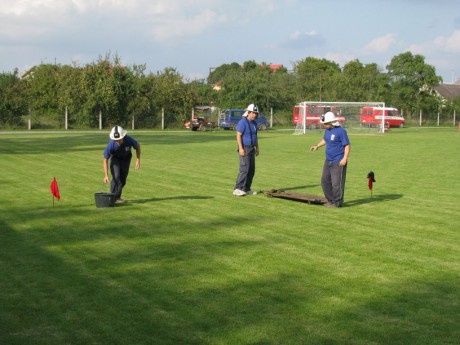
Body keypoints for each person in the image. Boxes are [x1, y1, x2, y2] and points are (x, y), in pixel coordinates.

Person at [310, 112, 350, 208]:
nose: (324, 125)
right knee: (324, 181)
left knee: (336, 184)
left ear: (331, 122)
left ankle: (337, 202)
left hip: (338, 161)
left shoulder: (341, 131)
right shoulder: (327, 130)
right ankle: (330, 200)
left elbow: (347, 145)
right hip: (328, 160)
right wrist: (317, 146)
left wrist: (345, 158)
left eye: (325, 123)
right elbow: (325, 140)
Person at [103, 125, 141, 203]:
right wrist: (106, 175)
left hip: (126, 159)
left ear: (123, 136)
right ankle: (112, 198)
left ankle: (117, 197)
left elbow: (137, 146)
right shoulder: (111, 145)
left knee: (123, 179)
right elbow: (105, 159)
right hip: (115, 160)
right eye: (116, 140)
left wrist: (138, 159)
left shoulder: (128, 139)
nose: (118, 142)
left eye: (119, 140)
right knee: (116, 176)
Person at [233, 104, 260, 196]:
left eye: (256, 113)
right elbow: (238, 135)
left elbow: (255, 137)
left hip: (252, 148)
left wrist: (257, 148)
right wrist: (241, 148)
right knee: (244, 169)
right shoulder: (242, 122)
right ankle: (237, 188)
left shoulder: (255, 124)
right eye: (253, 113)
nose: (255, 115)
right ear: (248, 112)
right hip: (245, 148)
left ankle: (246, 189)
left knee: (251, 170)